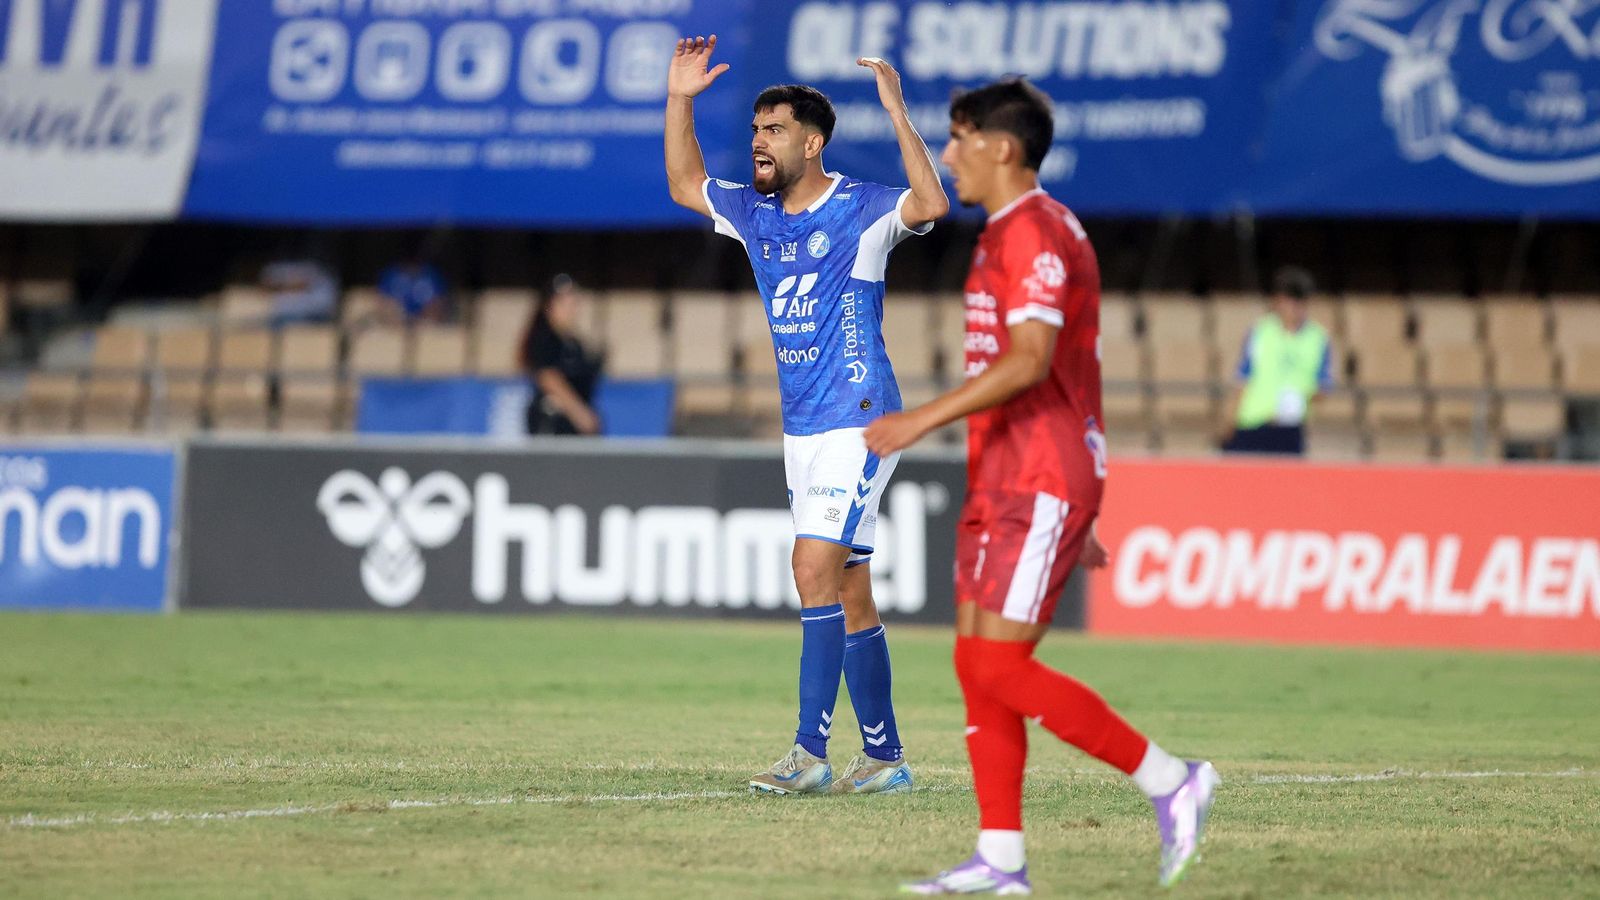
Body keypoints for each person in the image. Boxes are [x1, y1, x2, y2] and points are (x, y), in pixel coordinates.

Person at [862, 78, 1218, 893]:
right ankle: (1002, 861)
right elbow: (1066, 368)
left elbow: (1027, 362)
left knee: (996, 667)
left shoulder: (1036, 234)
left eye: (957, 139)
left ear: (1001, 147)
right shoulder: (1008, 231)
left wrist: (919, 421)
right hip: (1015, 473)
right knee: (976, 662)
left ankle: (1171, 779)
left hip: (1037, 473)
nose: (947, 155)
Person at [664, 36, 948, 795]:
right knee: (849, 586)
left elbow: (933, 203)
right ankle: (886, 759)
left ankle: (808, 754)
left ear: (812, 142)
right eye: (756, 130)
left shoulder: (859, 207)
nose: (759, 141)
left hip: (860, 418)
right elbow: (687, 182)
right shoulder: (754, 215)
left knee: (810, 566)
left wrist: (897, 114)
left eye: (775, 130)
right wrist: (679, 98)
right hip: (803, 430)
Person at [1221, 266, 1333, 455]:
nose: (1293, 308)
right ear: (1278, 301)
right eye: (1288, 300)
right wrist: (1229, 421)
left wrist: (1299, 402)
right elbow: (1242, 380)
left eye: (1299, 302)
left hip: (1289, 429)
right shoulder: (1260, 332)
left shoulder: (1318, 339)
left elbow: (1323, 388)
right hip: (1251, 423)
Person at [521, 274, 603, 436]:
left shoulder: (573, 343)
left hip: (574, 425)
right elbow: (548, 378)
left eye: (574, 302)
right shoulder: (544, 337)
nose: (571, 308)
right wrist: (579, 413)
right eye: (563, 302)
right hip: (555, 421)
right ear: (550, 305)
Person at [377, 248, 450, 324]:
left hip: (426, 325)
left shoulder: (433, 275)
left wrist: (422, 319)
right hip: (395, 326)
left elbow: (439, 304)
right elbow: (383, 303)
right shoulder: (390, 275)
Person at [261, 258, 337, 327]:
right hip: (283, 324)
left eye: (295, 275)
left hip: (315, 323)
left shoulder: (322, 289)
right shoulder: (278, 298)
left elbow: (325, 309)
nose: (292, 279)